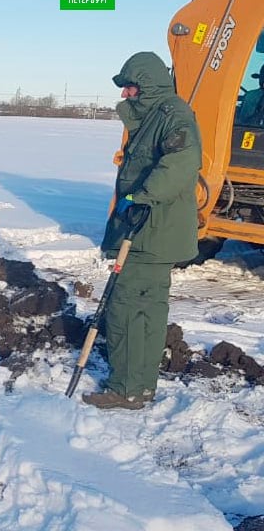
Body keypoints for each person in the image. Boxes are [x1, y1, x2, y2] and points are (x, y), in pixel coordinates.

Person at [82, 51, 202, 410]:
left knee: (126, 309)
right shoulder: (156, 116)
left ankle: (126, 389)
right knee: (148, 310)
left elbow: (181, 163)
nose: (124, 95)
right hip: (153, 231)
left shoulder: (172, 115)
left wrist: (140, 199)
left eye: (129, 87)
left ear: (146, 86)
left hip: (149, 231)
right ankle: (140, 387)